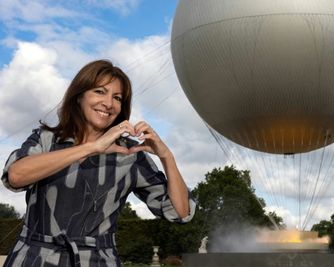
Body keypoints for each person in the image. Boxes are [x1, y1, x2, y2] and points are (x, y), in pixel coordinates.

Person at [1, 59, 196, 266]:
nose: (109, 103)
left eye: (117, 97)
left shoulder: (130, 154)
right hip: (33, 259)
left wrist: (167, 156)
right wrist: (92, 147)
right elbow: (15, 176)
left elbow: (180, 212)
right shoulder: (47, 139)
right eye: (100, 92)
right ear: (79, 97)